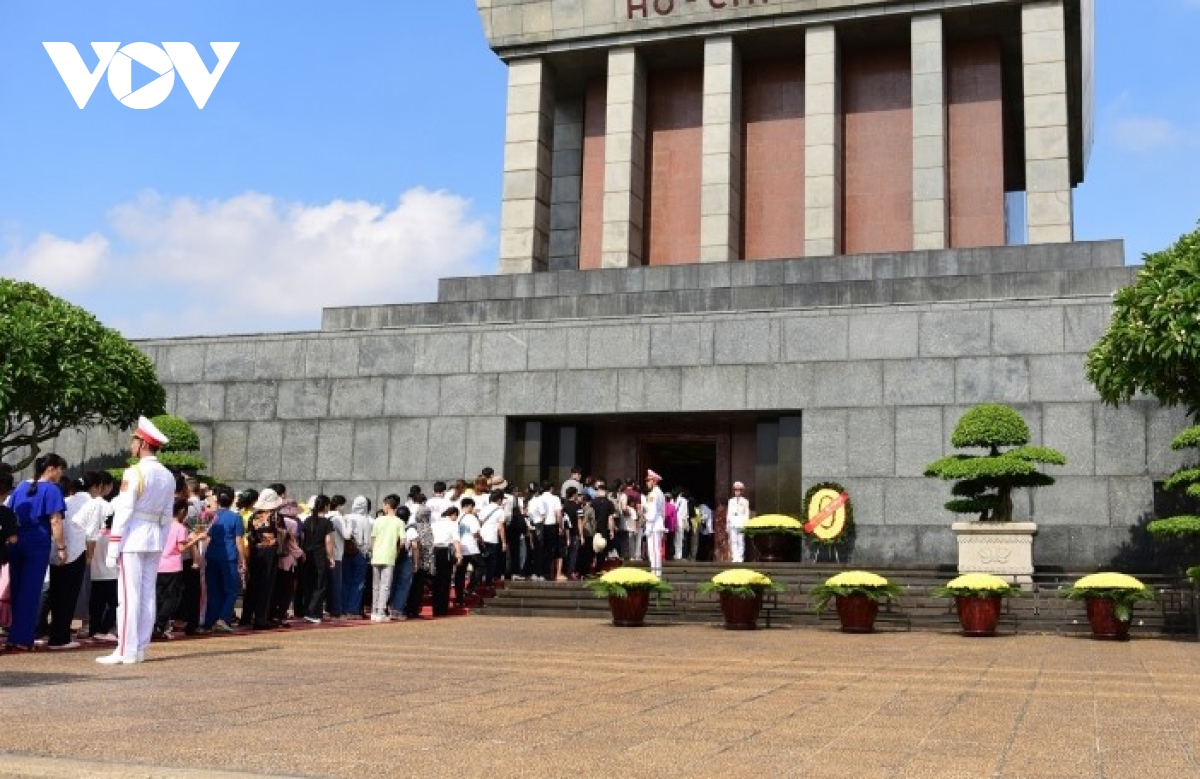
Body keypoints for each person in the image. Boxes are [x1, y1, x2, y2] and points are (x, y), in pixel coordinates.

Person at [97, 417, 175, 665]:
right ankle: (140, 647)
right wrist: (161, 541)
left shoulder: (135, 472)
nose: (131, 444)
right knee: (147, 595)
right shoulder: (167, 476)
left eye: (134, 439)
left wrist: (114, 545)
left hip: (132, 538)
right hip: (153, 537)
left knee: (128, 596)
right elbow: (167, 516)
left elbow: (125, 511)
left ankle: (125, 650)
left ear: (142, 443)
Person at [2, 457, 65, 653]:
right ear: (51, 469)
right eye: (60, 470)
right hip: (37, 543)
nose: (61, 474)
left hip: (16, 542)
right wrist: (61, 547)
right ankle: (22, 637)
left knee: (17, 589)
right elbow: (55, 520)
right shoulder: (52, 490)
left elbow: (9, 511)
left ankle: (14, 635)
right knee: (31, 592)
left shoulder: (21, 486)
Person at [199, 487, 245, 633]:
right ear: (232, 501)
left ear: (217, 500)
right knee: (231, 589)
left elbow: (202, 535)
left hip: (212, 554)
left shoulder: (210, 516)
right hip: (229, 555)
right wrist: (242, 559)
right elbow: (238, 541)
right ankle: (223, 618)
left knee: (213, 590)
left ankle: (209, 621)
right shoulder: (236, 517)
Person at [242, 489, 285, 630]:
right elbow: (282, 534)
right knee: (266, 585)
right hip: (270, 552)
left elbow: (250, 535)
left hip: (255, 551)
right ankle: (261, 618)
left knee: (253, 583)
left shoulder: (253, 516)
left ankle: (246, 617)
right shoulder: (276, 516)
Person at [153, 499, 192, 640]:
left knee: (158, 596)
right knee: (171, 598)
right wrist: (195, 539)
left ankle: (154, 624)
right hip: (173, 565)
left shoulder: (161, 525)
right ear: (181, 511)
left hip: (158, 564)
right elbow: (181, 548)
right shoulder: (180, 528)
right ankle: (160, 625)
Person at [301, 496, 336, 624]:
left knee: (309, 583)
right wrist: (331, 557)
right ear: (325, 506)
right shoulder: (326, 522)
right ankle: (313, 612)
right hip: (320, 555)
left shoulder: (308, 520)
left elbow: (303, 537)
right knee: (320, 584)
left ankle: (309, 610)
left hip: (307, 554)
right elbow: (328, 541)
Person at [369, 497, 405, 622]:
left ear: (388, 506)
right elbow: (402, 541)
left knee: (376, 586)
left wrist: (374, 551)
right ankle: (380, 612)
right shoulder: (399, 522)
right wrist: (396, 551)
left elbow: (373, 538)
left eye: (384, 505)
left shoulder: (378, 520)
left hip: (377, 555)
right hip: (389, 555)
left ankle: (374, 611)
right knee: (385, 586)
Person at [404, 498, 435, 619]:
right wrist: (431, 565)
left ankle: (407, 608)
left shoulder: (412, 526)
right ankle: (414, 609)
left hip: (411, 559)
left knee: (410, 586)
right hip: (422, 563)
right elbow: (429, 549)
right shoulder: (428, 528)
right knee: (418, 588)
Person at [341, 497, 372, 618]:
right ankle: (352, 610)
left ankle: (343, 608)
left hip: (346, 553)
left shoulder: (347, 517)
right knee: (358, 583)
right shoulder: (365, 520)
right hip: (360, 554)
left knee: (346, 582)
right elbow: (368, 540)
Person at [430, 505, 461, 616]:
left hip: (434, 551)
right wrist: (459, 554)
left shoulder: (435, 524)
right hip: (445, 551)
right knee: (445, 580)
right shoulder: (453, 524)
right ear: (453, 515)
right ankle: (442, 609)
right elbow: (456, 540)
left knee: (436, 580)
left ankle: (435, 608)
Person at [454, 498, 483, 607]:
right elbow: (475, 532)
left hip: (461, 548)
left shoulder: (459, 517)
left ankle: (459, 597)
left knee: (460, 573)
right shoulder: (471, 517)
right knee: (480, 566)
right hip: (471, 547)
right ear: (469, 506)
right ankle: (471, 587)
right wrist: (481, 540)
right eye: (472, 506)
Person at [642, 471, 666, 577]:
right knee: (655, 549)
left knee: (654, 550)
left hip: (653, 524)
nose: (647, 482)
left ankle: (655, 572)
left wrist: (648, 525)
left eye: (649, 480)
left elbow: (652, 512)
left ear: (654, 481)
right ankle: (656, 571)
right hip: (657, 524)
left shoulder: (653, 494)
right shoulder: (660, 493)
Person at [727, 481, 751, 564]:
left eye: (739, 490)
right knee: (733, 541)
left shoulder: (745, 501)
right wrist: (728, 524)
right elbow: (729, 513)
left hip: (741, 522)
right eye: (735, 490)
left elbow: (746, 513)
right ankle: (735, 557)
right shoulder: (731, 501)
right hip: (733, 521)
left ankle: (740, 558)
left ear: (741, 491)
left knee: (740, 540)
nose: (737, 492)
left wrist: (746, 523)